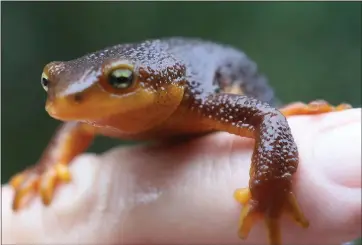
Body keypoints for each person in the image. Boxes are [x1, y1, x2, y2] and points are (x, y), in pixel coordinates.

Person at [2, 108, 361, 244]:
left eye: (121, 80)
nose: (70, 99)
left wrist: (269, 188)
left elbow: (269, 119)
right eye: (49, 83)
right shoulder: (92, 111)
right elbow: (76, 122)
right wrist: (50, 164)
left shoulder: (198, 99)